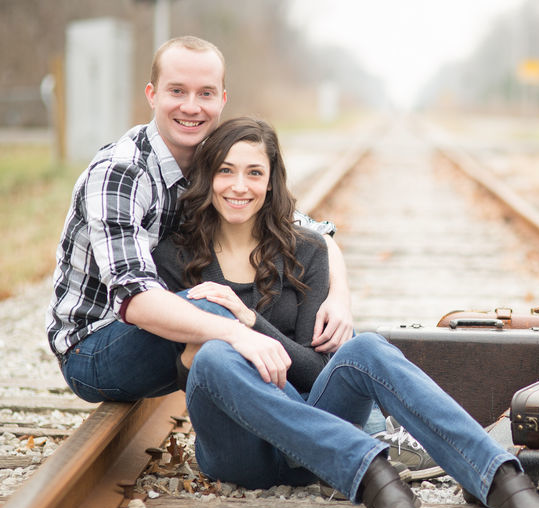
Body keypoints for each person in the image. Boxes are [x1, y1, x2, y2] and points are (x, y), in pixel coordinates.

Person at [151, 117, 539, 508]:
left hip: (312, 449)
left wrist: (250, 323)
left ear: (272, 181)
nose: (239, 186)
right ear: (208, 176)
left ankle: (504, 485)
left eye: (254, 172)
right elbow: (191, 373)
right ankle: (372, 474)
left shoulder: (306, 252)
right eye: (226, 170)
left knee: (367, 346)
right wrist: (221, 340)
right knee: (217, 357)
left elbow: (316, 371)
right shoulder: (174, 258)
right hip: (238, 452)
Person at [46, 36, 353, 406]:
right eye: (177, 91)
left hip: (165, 325)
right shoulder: (121, 173)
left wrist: (340, 297)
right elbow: (135, 299)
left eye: (205, 93)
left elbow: (305, 231)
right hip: (96, 347)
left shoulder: (214, 158)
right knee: (221, 305)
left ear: (222, 99)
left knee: (327, 334)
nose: (191, 107)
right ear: (152, 94)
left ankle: (347, 430)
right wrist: (238, 330)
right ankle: (331, 435)